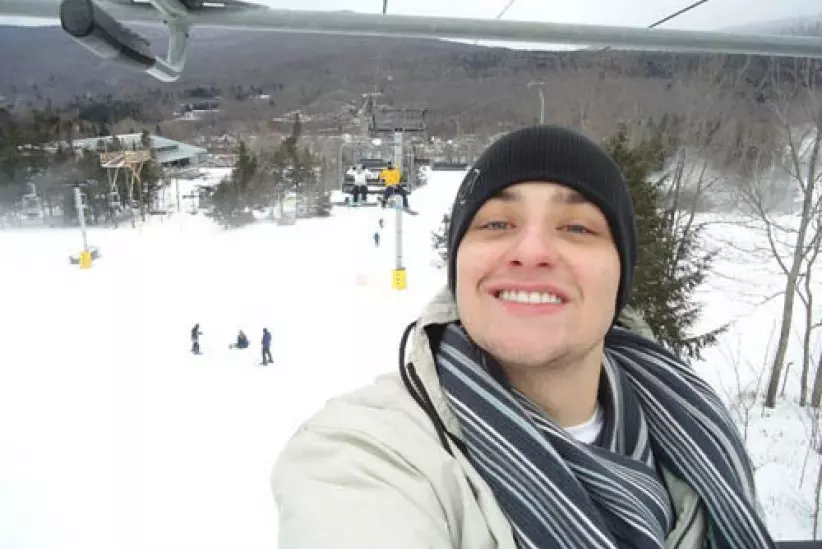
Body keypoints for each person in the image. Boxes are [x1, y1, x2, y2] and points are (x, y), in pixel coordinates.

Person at [271, 125, 774, 549]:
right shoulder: (364, 454)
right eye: (496, 223)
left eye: (577, 228)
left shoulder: (694, 427)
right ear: (458, 269)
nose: (531, 252)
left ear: (621, 276)